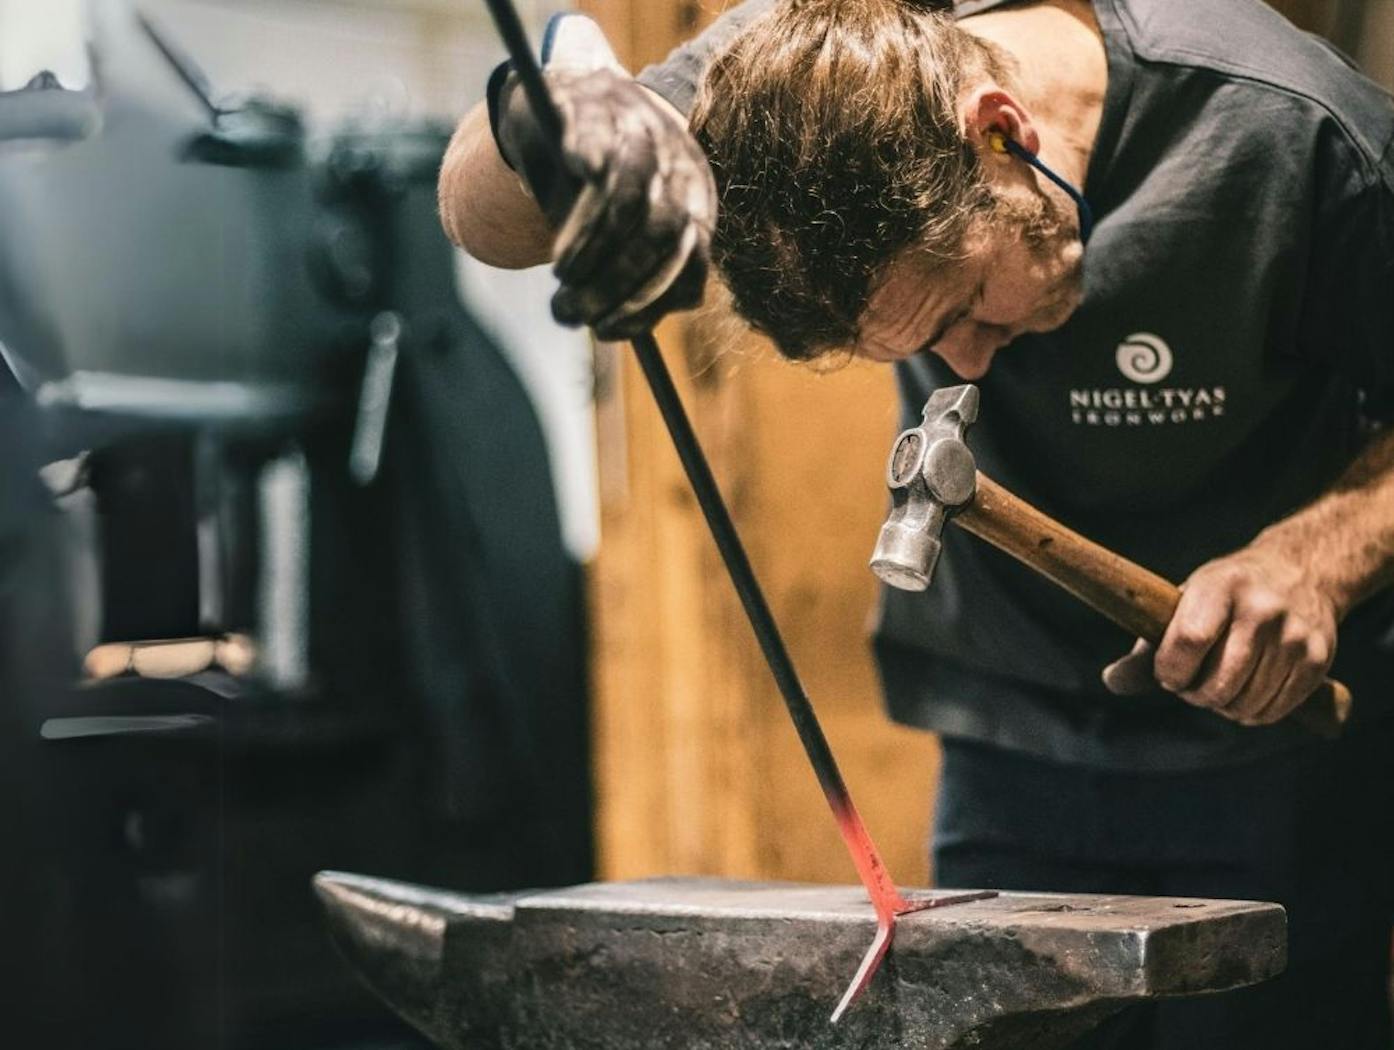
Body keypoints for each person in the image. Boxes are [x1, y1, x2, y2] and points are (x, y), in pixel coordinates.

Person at [438, 1, 1394, 1046]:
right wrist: (558, 112)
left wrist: (1312, 561)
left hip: (1282, 741)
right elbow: (480, 217)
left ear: (1001, 132)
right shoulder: (796, 77)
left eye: (967, 303)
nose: (967, 366)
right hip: (1009, 741)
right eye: (921, 346)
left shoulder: (1288, 127)